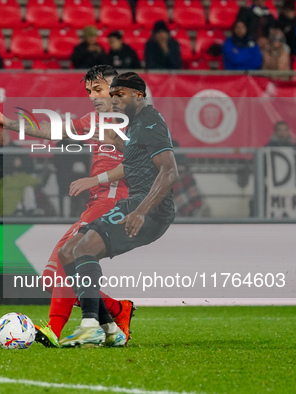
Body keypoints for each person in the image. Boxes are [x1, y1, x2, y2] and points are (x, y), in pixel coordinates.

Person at [0, 65, 135, 348]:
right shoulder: (94, 119)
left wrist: (100, 172)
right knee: (61, 268)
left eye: (99, 89)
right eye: (89, 91)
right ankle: (113, 314)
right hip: (97, 202)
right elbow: (53, 130)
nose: (93, 96)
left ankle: (56, 327)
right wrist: (9, 123)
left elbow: (142, 163)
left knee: (62, 261)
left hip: (114, 202)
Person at [56, 72, 179, 348]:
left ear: (138, 94)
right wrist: (118, 144)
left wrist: (141, 211)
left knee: (84, 248)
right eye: (112, 96)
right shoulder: (135, 125)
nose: (114, 100)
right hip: (135, 203)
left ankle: (89, 326)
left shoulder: (150, 120)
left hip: (148, 208)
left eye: (119, 94)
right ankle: (110, 327)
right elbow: (135, 164)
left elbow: (170, 172)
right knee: (68, 252)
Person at [0, 129, 39, 217]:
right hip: (3, 179)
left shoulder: (17, 148)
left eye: (5, 135)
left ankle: (30, 208)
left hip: (19, 178)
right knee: (11, 186)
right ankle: (15, 208)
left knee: (28, 187)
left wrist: (20, 164)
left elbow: (29, 164)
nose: (3, 138)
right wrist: (11, 166)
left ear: (9, 136)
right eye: (0, 136)